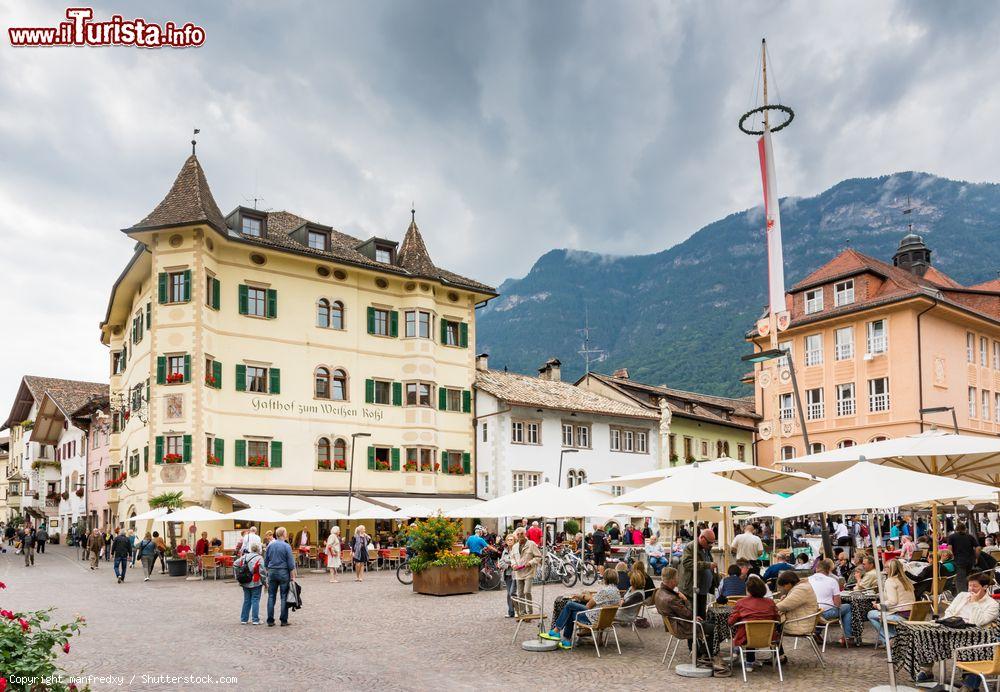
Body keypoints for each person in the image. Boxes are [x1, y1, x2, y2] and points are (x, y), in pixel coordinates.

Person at [916, 574, 1000, 688]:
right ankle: (926, 670)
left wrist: (975, 602)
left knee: (972, 647)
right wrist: (950, 621)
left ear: (985, 587)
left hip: (973, 636)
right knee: (926, 634)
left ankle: (969, 682)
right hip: (951, 629)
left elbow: (979, 622)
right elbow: (949, 612)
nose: (971, 589)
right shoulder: (962, 596)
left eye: (975, 586)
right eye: (969, 585)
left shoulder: (992, 605)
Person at [541, 568, 623, 649]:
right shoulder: (617, 591)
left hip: (594, 619)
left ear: (606, 578)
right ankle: (565, 640)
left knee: (569, 605)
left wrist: (582, 598)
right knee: (571, 611)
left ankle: (558, 633)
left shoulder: (604, 591)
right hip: (606, 620)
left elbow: (588, 606)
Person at [729, 575, 780, 666]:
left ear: (748, 589)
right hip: (768, 637)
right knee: (751, 627)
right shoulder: (770, 602)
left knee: (746, 628)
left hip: (746, 638)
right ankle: (749, 661)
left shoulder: (741, 602)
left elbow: (730, 621)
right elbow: (777, 618)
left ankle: (744, 658)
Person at [866, 559, 914, 644]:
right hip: (912, 613)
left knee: (871, 614)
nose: (884, 570)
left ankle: (890, 639)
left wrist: (878, 606)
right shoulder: (907, 580)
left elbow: (892, 602)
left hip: (900, 614)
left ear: (891, 569)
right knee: (880, 613)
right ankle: (894, 637)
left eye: (885, 567)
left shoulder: (891, 581)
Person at [809, 558, 851, 646]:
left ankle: (816, 632)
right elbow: (837, 604)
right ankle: (847, 636)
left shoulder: (808, 580)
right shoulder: (832, 581)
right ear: (829, 570)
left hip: (809, 613)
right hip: (824, 613)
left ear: (817, 569)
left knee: (823, 612)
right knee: (847, 607)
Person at [263, 526, 297, 627]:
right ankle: (283, 620)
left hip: (272, 572)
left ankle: (270, 620)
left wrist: (268, 570)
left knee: (271, 596)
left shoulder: (270, 545)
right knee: (283, 596)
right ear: (283, 534)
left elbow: (266, 561)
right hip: (283, 572)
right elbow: (291, 563)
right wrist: (293, 575)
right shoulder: (286, 546)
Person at [775, 571, 818, 647]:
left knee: (772, 627)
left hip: (799, 624)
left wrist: (769, 607)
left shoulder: (801, 589)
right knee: (774, 626)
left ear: (789, 583)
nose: (783, 588)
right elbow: (790, 602)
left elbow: (785, 605)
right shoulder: (802, 586)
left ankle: (779, 655)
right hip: (801, 620)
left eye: (784, 586)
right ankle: (779, 655)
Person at [680, 529, 716, 620]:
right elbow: (687, 563)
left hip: (703, 588)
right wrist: (707, 565)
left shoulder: (706, 547)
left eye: (712, 543)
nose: (710, 545)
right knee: (694, 615)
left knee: (702, 614)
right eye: (709, 542)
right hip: (692, 586)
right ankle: (695, 633)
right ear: (702, 538)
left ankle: (702, 632)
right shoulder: (690, 547)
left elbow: (709, 562)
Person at [511, 526, 541, 614]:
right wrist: (513, 564)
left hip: (529, 572)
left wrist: (531, 563)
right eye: (518, 534)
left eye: (522, 534)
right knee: (520, 593)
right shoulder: (514, 546)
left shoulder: (531, 544)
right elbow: (512, 557)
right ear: (516, 535)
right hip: (519, 572)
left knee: (527, 591)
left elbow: (538, 557)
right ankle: (522, 612)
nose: (520, 535)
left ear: (525, 534)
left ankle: (530, 611)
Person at [237, 543, 266, 625]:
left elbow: (235, 564)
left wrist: (238, 575)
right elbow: (262, 572)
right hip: (256, 581)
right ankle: (255, 619)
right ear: (258, 549)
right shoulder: (259, 558)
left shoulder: (244, 556)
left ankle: (244, 619)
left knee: (246, 600)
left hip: (245, 581)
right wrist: (265, 582)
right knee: (255, 600)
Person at [947, 522, 980, 594]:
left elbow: (949, 548)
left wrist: (951, 556)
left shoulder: (952, 537)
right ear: (965, 529)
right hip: (970, 561)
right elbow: (978, 548)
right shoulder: (970, 537)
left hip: (959, 560)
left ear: (956, 529)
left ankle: (963, 596)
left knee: (960, 580)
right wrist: (976, 557)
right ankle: (969, 594)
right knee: (968, 578)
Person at [499, 534, 516, 618]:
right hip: (507, 575)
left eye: (511, 539)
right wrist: (508, 565)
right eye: (508, 540)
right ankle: (511, 612)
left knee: (513, 593)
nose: (509, 541)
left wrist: (508, 561)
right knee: (509, 594)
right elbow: (501, 563)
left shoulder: (516, 550)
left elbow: (516, 561)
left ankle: (518, 611)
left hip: (515, 575)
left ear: (514, 541)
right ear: (506, 541)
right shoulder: (504, 551)